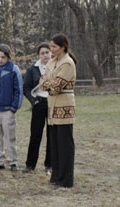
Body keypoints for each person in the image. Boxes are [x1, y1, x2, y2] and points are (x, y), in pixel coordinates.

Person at [39, 33, 77, 188]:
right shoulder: (52, 62)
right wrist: (48, 83)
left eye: (54, 47)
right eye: (51, 46)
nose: (51, 49)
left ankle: (66, 179)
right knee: (54, 144)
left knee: (64, 144)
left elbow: (55, 87)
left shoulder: (68, 63)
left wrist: (49, 83)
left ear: (63, 47)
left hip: (64, 106)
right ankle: (56, 177)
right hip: (52, 108)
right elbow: (42, 82)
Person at [22, 43, 52, 174]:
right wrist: (33, 101)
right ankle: (30, 164)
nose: (45, 55)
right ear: (39, 55)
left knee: (52, 135)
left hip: (53, 103)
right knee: (35, 135)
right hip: (39, 103)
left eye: (47, 52)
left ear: (51, 53)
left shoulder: (56, 67)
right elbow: (26, 88)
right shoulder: (33, 69)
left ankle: (49, 165)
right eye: (42, 53)